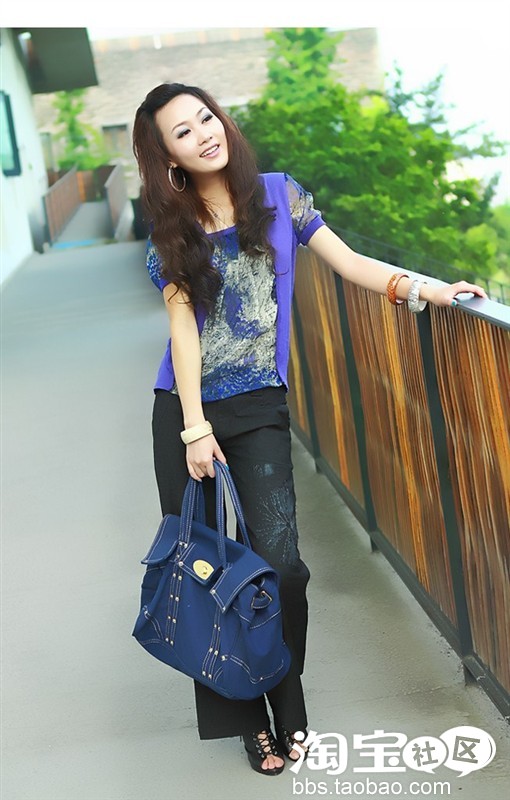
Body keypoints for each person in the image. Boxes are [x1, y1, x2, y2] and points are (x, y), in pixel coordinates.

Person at [132, 82, 487, 776]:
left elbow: (350, 264)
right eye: (184, 132)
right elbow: (183, 333)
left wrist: (430, 289)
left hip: (259, 405)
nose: (204, 133)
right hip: (186, 411)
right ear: (168, 157)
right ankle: (249, 725)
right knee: (209, 566)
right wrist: (194, 428)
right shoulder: (173, 232)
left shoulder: (277, 195)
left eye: (206, 117)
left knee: (282, 565)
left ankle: (286, 696)